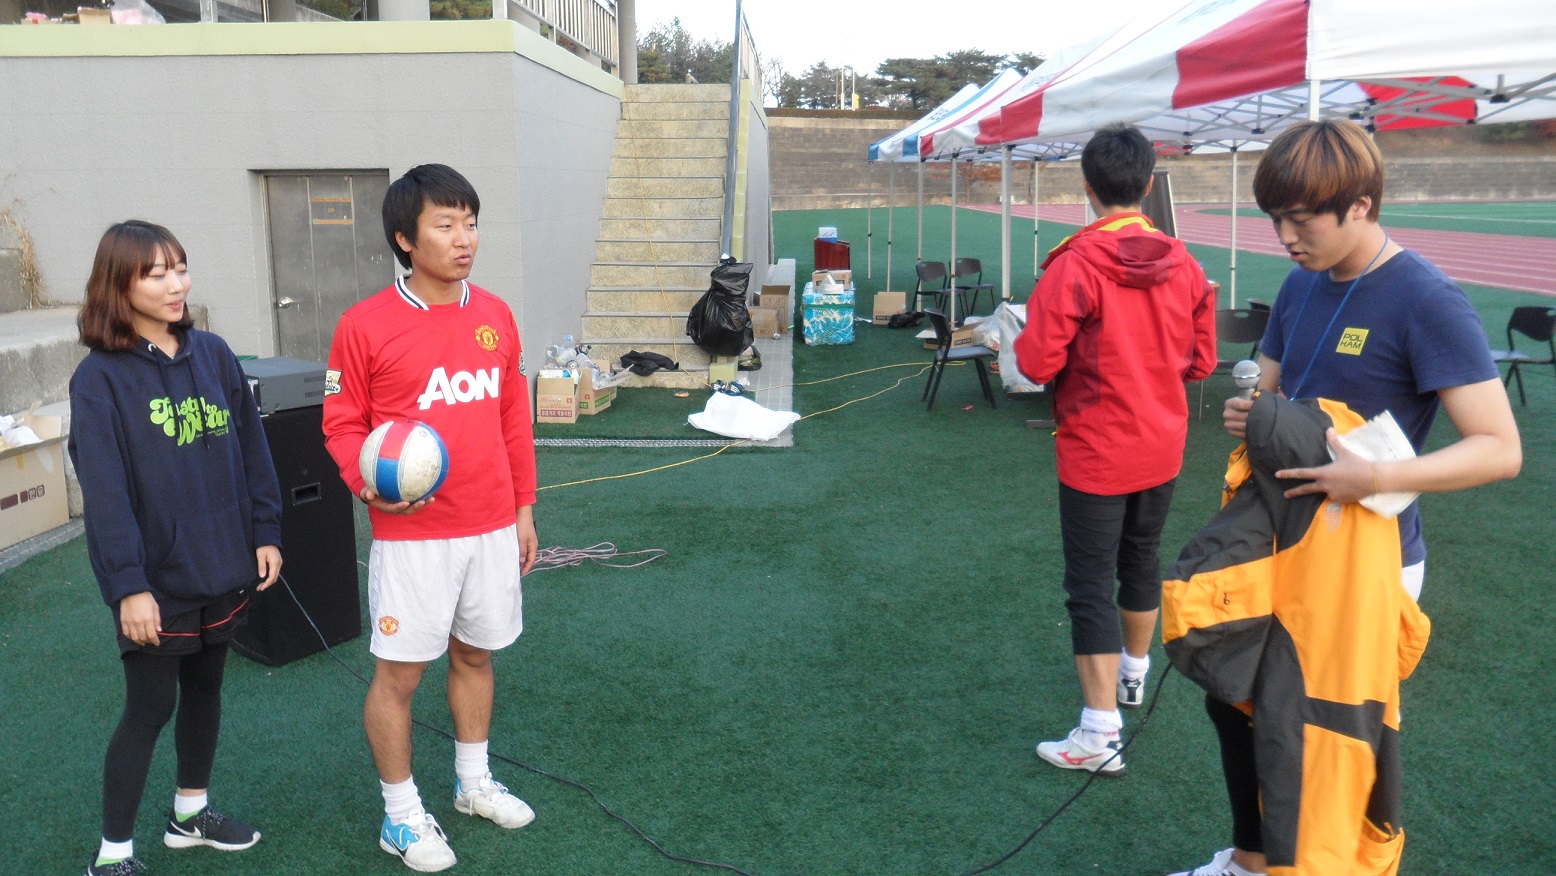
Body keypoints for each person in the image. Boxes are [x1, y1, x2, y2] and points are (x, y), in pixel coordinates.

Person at [1171, 119, 1522, 876]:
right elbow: (1274, 389)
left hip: (1368, 558)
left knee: (1323, 742)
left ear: (1360, 205)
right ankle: (1249, 860)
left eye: (1302, 220)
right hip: (1283, 538)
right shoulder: (1301, 283)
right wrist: (1251, 411)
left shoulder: (1427, 298)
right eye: (1276, 218)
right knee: (1234, 698)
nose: (1286, 236)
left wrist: (1376, 478)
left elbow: (1500, 449)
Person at [322, 164, 539, 873]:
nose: (464, 238)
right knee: (400, 678)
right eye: (445, 225)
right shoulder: (363, 325)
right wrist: (367, 484)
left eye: (470, 222)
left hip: (490, 527)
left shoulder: (496, 314)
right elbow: (341, 423)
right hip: (413, 536)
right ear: (404, 239)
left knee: (476, 654)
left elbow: (514, 419)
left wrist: (524, 511)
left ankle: (473, 784)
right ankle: (402, 817)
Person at [69, 221, 284, 876]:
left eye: (181, 268)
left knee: (207, 688)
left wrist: (267, 529)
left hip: (223, 563)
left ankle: (189, 816)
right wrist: (128, 584)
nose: (176, 284)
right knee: (150, 706)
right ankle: (112, 855)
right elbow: (105, 496)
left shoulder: (215, 354)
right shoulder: (99, 379)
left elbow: (253, 448)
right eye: (156, 273)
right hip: (154, 582)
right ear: (120, 285)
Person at [1014, 123, 1217, 776]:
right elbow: (1202, 361)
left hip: (1099, 451)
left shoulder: (1075, 263)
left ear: (1087, 186)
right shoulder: (1185, 263)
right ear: (1149, 182)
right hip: (1162, 443)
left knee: (1089, 586)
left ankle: (1100, 731)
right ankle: (1132, 675)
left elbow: (1038, 360)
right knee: (1141, 558)